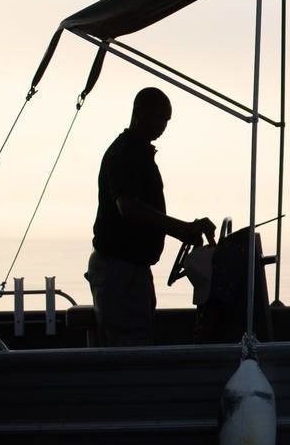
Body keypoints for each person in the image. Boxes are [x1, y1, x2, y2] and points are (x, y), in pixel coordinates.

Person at [85, 87, 216, 346]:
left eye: (166, 121)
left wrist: (183, 228)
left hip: (132, 270)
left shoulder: (139, 153)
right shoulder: (125, 154)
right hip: (119, 270)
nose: (162, 127)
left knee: (136, 340)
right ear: (139, 114)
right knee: (128, 350)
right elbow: (129, 207)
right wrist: (180, 229)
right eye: (158, 119)